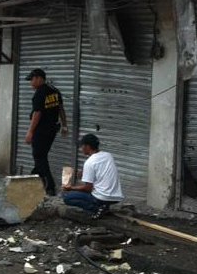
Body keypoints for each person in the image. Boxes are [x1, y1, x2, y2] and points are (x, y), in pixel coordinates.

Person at [24, 68, 68, 196]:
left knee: (39, 156)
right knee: (40, 156)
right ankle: (33, 180)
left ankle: (50, 186)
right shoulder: (54, 91)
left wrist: (30, 132)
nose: (31, 83)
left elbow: (37, 113)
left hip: (41, 130)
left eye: (31, 80)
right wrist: (64, 125)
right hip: (52, 129)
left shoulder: (40, 93)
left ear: (38, 78)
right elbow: (61, 109)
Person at [62, 133, 123, 219]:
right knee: (93, 191)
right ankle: (104, 207)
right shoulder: (108, 155)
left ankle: (96, 209)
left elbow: (88, 189)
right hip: (115, 197)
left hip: (102, 197)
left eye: (82, 146)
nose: (81, 149)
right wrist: (84, 173)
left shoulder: (89, 162)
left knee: (67, 197)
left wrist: (71, 188)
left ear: (87, 146)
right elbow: (100, 171)